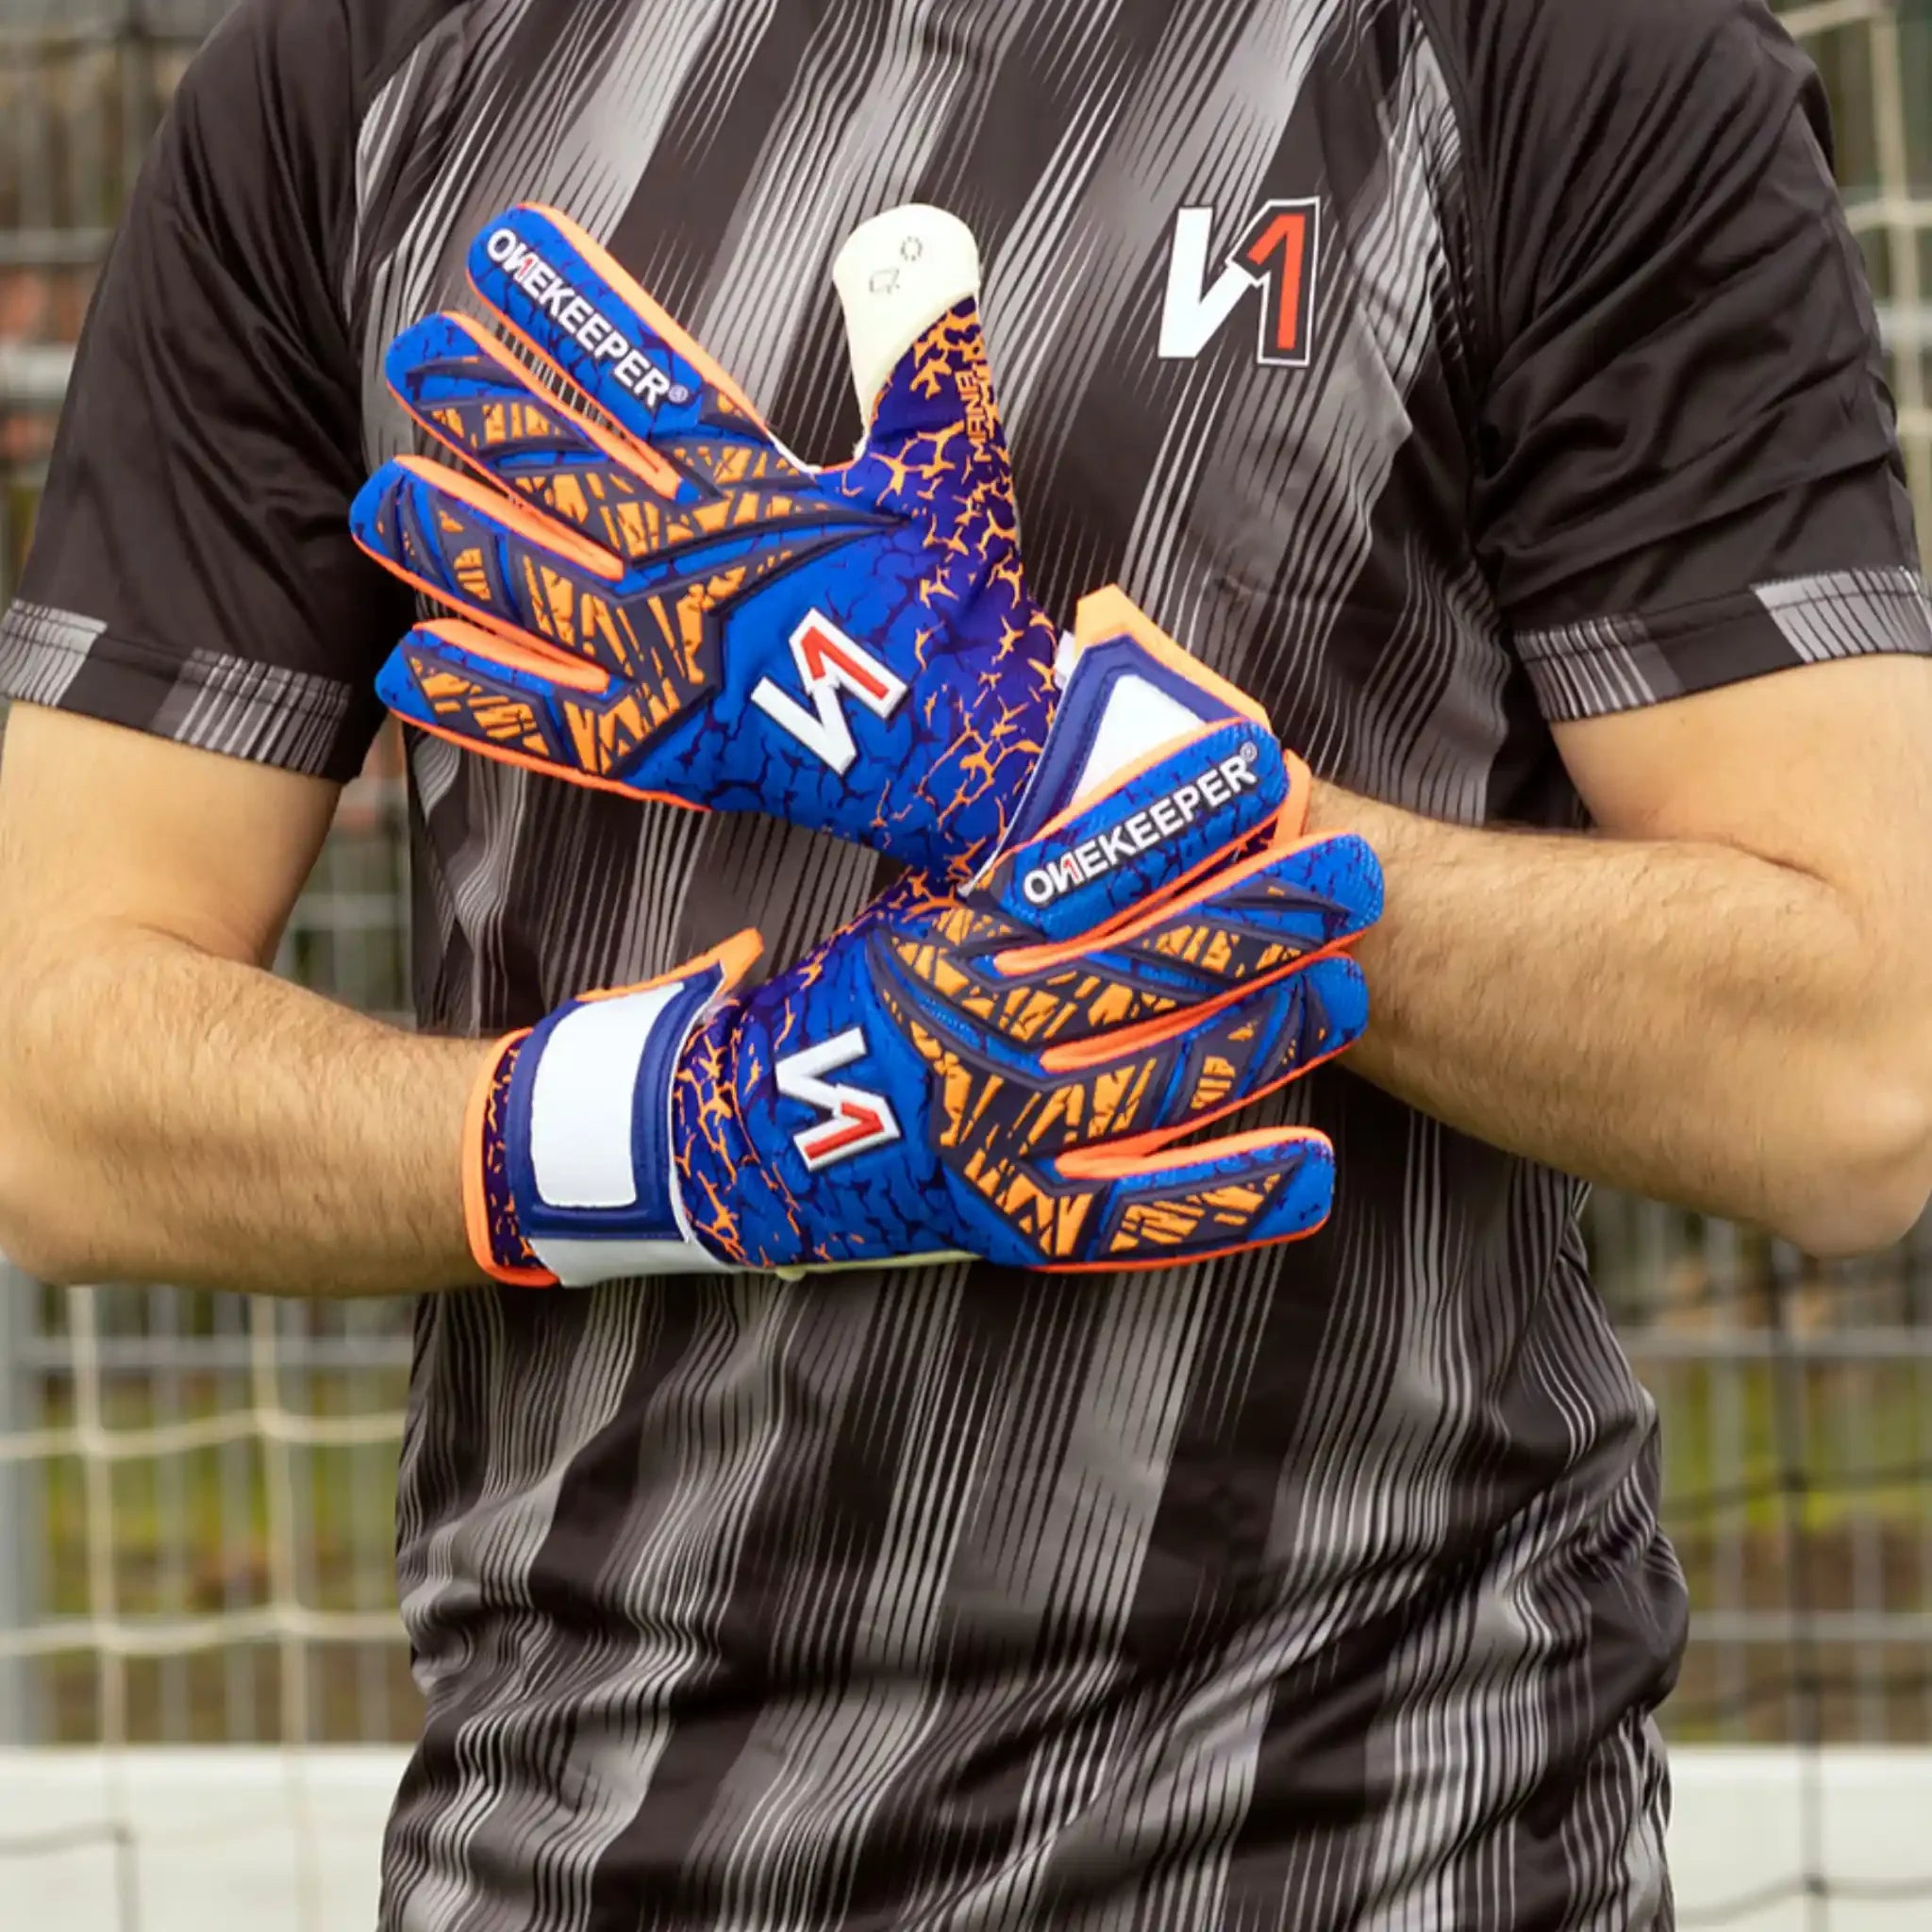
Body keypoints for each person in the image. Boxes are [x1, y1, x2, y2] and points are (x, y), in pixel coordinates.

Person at [1, 0, 1928, 1924]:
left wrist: (1055, 783)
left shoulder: (1557, 54)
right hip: (579, 1847)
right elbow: (54, 1085)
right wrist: (694, 1136)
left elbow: (1852, 1066)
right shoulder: (353, 73)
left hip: (1392, 1838)